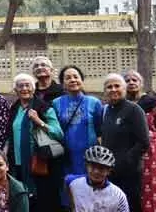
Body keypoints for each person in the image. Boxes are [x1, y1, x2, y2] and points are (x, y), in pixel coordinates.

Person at [7, 73, 62, 212]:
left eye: (27, 85)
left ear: (33, 88)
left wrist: (39, 121)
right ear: (15, 90)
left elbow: (58, 133)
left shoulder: (44, 107)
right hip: (17, 164)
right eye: (20, 86)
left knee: (40, 201)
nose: (24, 89)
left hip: (38, 162)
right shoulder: (14, 109)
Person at [50, 65, 103, 207]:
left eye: (76, 77)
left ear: (82, 80)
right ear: (63, 83)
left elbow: (100, 131)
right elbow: (54, 129)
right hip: (66, 157)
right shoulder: (56, 103)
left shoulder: (94, 102)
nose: (72, 80)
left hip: (90, 157)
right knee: (69, 195)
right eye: (68, 78)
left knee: (91, 194)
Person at [99, 74, 148, 212]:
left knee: (130, 206)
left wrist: (125, 161)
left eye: (117, 86)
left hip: (130, 172)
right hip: (109, 171)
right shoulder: (106, 111)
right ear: (105, 91)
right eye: (109, 87)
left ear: (124, 88)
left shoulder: (134, 110)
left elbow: (143, 142)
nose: (113, 89)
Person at [123, 70, 156, 212]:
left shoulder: (153, 103)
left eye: (134, 80)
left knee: (151, 187)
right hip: (127, 151)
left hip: (151, 153)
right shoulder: (121, 104)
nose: (131, 82)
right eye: (127, 80)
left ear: (141, 83)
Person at [64, 146, 128, 212]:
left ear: (109, 171)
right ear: (86, 165)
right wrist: (73, 207)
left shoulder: (118, 195)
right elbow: (67, 181)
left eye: (101, 168)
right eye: (92, 166)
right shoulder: (73, 182)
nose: (96, 171)